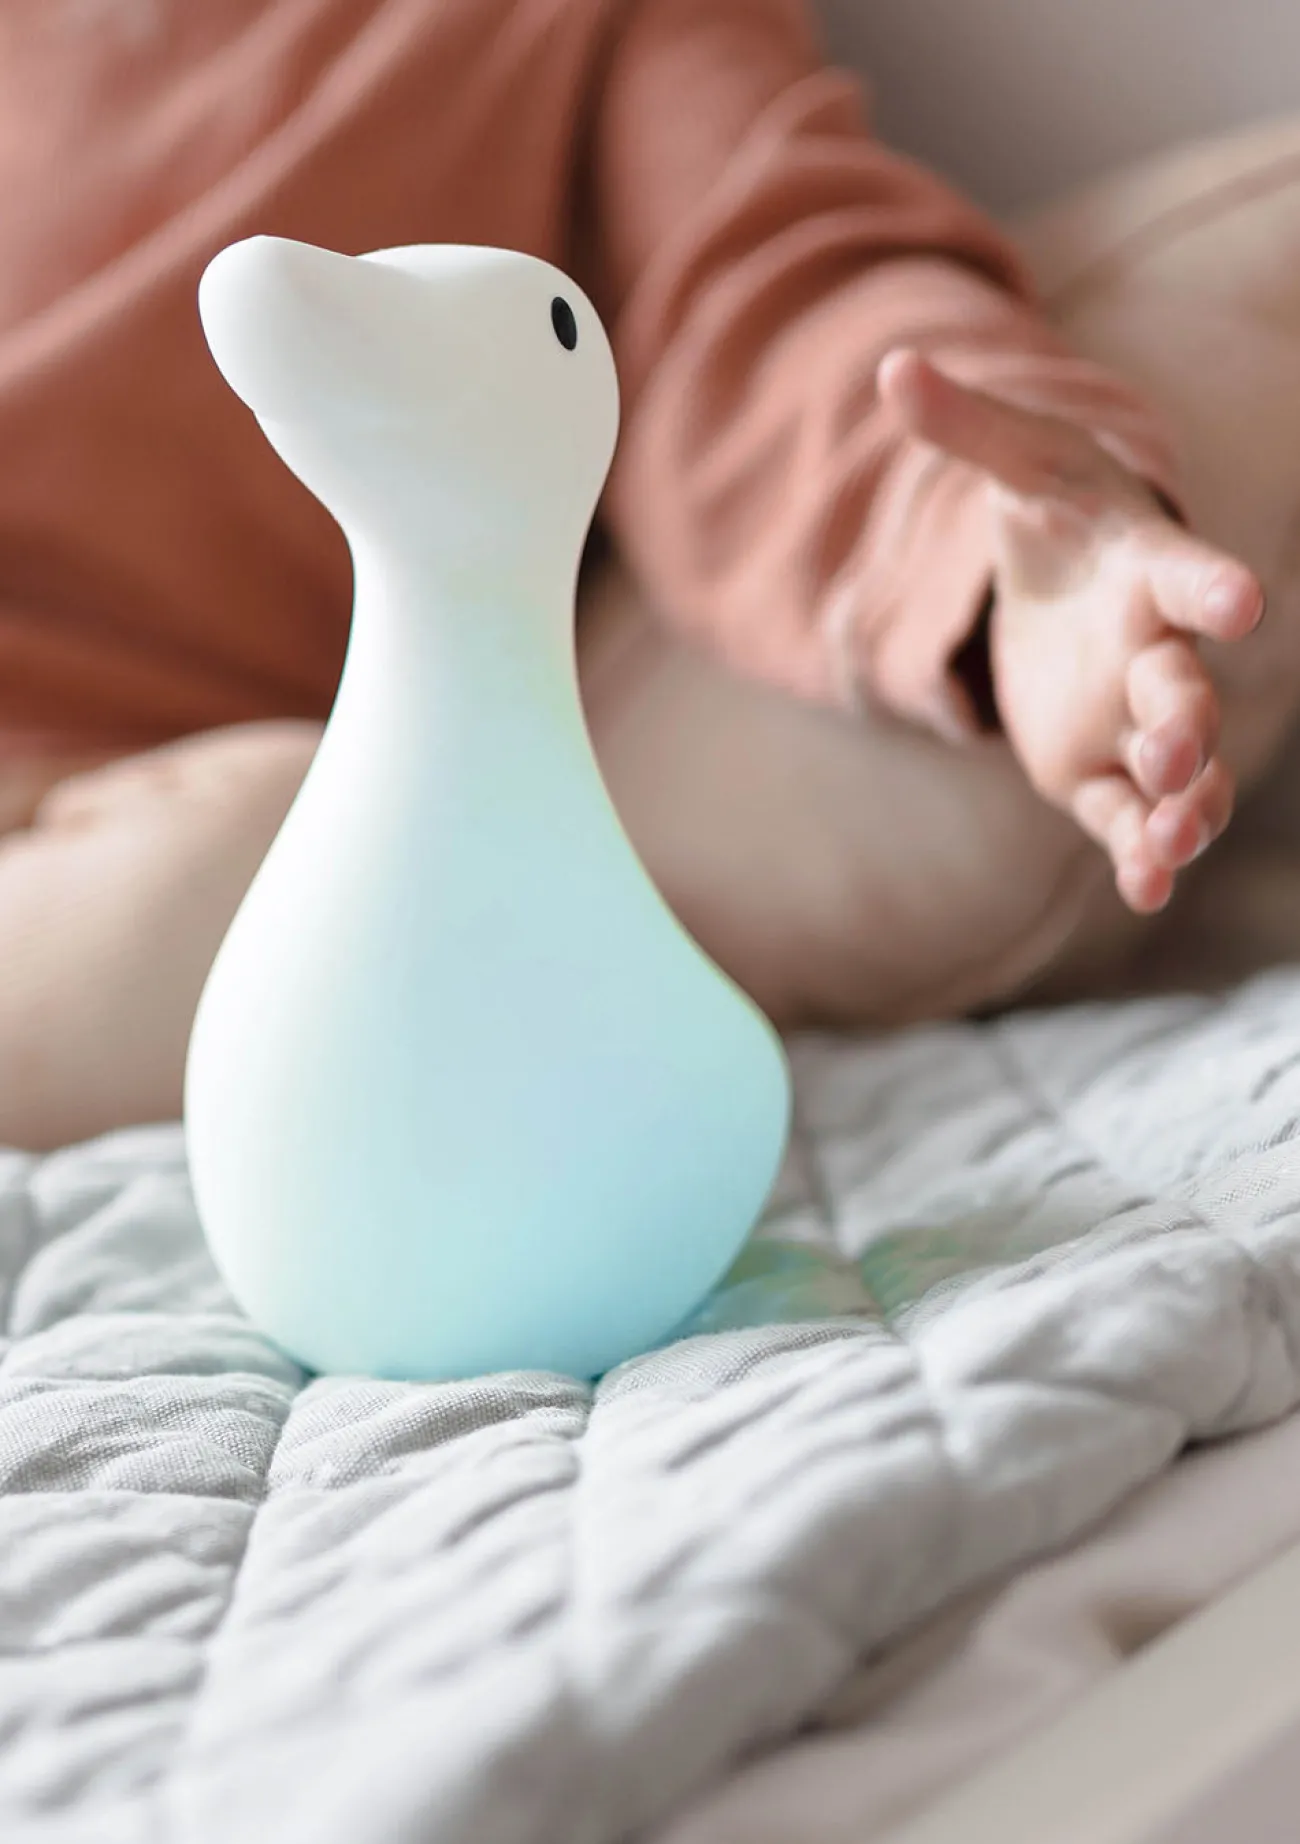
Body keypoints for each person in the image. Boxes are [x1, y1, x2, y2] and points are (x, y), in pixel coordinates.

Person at [0, 0, 1286, 1149]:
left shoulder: (572, 28)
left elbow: (777, 298)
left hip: (110, 829)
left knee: (281, 871)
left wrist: (984, 541)